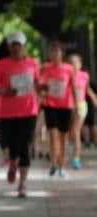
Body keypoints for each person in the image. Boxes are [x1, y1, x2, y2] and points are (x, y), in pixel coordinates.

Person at [0, 33, 39, 196]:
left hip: (29, 110)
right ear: (9, 46)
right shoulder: (1, 65)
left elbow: (38, 84)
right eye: (13, 44)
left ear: (24, 46)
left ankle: (23, 183)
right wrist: (5, 90)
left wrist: (44, 89)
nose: (16, 47)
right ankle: (13, 162)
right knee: (13, 145)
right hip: (8, 113)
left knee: (25, 145)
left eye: (19, 44)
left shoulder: (33, 64)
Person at [39, 42, 77, 177]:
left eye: (57, 51)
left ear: (62, 53)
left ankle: (61, 165)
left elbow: (72, 87)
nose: (54, 54)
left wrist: (76, 105)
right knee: (53, 136)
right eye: (52, 51)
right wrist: (42, 91)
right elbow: (40, 85)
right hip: (50, 105)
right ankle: (53, 164)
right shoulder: (45, 68)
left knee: (63, 137)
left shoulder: (69, 69)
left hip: (65, 106)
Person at [68, 52, 91, 168]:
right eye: (71, 63)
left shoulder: (85, 75)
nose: (74, 65)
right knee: (70, 133)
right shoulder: (66, 75)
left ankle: (76, 159)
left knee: (76, 131)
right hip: (68, 106)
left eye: (76, 62)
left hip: (81, 105)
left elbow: (87, 89)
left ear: (80, 64)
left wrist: (94, 98)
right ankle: (69, 148)